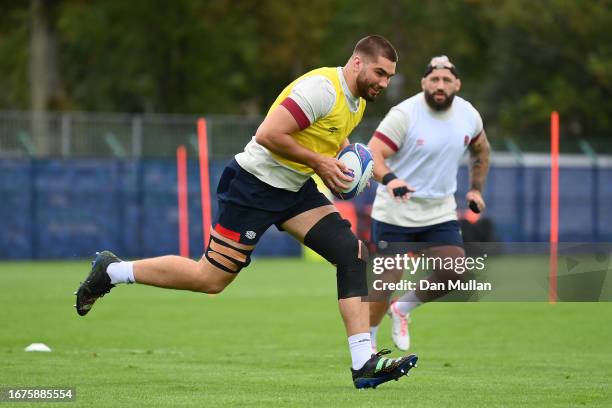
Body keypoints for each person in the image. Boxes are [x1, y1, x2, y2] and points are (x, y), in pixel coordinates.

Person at [74, 35, 418, 389]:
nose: (384, 82)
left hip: (294, 190)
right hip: (252, 186)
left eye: (390, 76)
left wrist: (350, 169)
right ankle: (113, 271)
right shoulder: (321, 90)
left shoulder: (356, 102)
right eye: (380, 72)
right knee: (209, 279)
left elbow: (334, 140)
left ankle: (364, 363)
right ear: (358, 62)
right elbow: (268, 133)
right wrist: (321, 163)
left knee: (353, 254)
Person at [366, 56, 490, 352]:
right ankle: (366, 349)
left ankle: (402, 310)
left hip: (438, 211)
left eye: (447, 80)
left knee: (454, 273)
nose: (440, 85)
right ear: (424, 83)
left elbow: (481, 151)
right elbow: (373, 155)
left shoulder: (468, 115)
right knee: (383, 285)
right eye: (434, 79)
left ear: (457, 84)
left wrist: (475, 190)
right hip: (395, 212)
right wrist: (391, 179)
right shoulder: (405, 114)